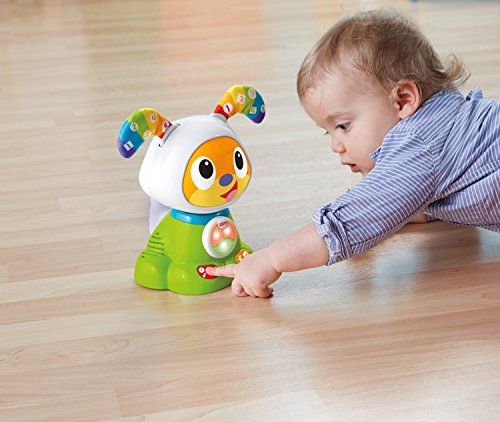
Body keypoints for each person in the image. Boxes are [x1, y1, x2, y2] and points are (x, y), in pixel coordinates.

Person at [206, 9, 500, 298]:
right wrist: (402, 210)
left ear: (403, 100)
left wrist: (271, 259)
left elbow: (352, 221)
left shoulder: (418, 143)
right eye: (329, 132)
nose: (336, 145)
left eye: (343, 126)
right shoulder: (446, 122)